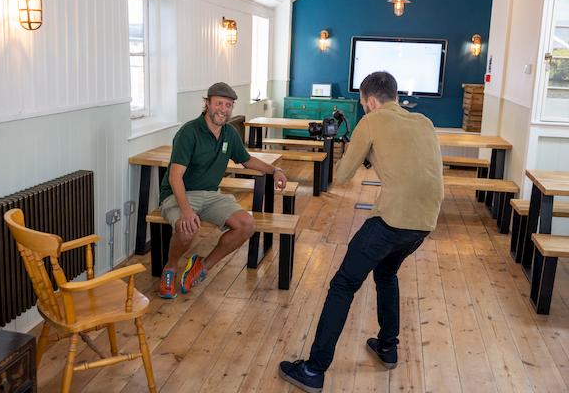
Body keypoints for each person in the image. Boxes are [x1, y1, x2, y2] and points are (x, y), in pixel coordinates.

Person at [278, 71, 444, 392]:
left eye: (363, 104)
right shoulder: (423, 121)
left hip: (391, 221)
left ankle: (313, 370)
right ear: (394, 96)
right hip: (424, 223)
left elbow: (340, 177)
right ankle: (387, 346)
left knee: (343, 284)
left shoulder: (370, 122)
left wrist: (345, 146)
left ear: (369, 101)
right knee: (386, 273)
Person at [158, 82, 287, 299]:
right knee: (187, 227)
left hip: (210, 194)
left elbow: (246, 160)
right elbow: (174, 176)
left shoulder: (229, 133)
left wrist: (275, 170)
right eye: (219, 103)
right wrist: (187, 211)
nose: (223, 109)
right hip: (179, 194)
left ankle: (202, 267)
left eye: (228, 105)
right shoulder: (189, 132)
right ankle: (170, 268)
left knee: (246, 225)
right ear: (207, 103)